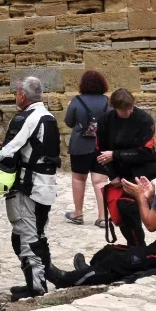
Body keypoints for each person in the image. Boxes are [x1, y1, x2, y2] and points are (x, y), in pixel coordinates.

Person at [47, 145, 156, 288]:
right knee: (110, 251)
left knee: (119, 262)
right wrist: (151, 197)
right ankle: (87, 272)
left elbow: (150, 225)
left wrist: (140, 196)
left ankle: (66, 280)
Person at [0, 76, 60, 301]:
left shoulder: (24, 118)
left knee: (26, 237)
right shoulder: (49, 117)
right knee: (36, 234)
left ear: (22, 95)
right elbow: (35, 149)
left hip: (28, 187)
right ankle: (37, 281)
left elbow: (7, 155)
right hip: (45, 186)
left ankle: (37, 288)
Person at [95, 88, 156, 247]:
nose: (129, 112)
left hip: (140, 172)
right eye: (124, 110)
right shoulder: (105, 121)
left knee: (128, 206)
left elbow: (147, 153)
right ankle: (133, 245)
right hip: (118, 174)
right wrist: (112, 175)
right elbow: (100, 152)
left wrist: (116, 155)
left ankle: (138, 246)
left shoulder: (144, 119)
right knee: (118, 211)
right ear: (114, 107)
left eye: (131, 108)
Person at [63, 71, 110, 227]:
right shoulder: (107, 102)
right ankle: (103, 217)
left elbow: (69, 122)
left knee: (78, 178)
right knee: (100, 181)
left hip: (80, 145)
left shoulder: (77, 101)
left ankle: (78, 213)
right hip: (101, 146)